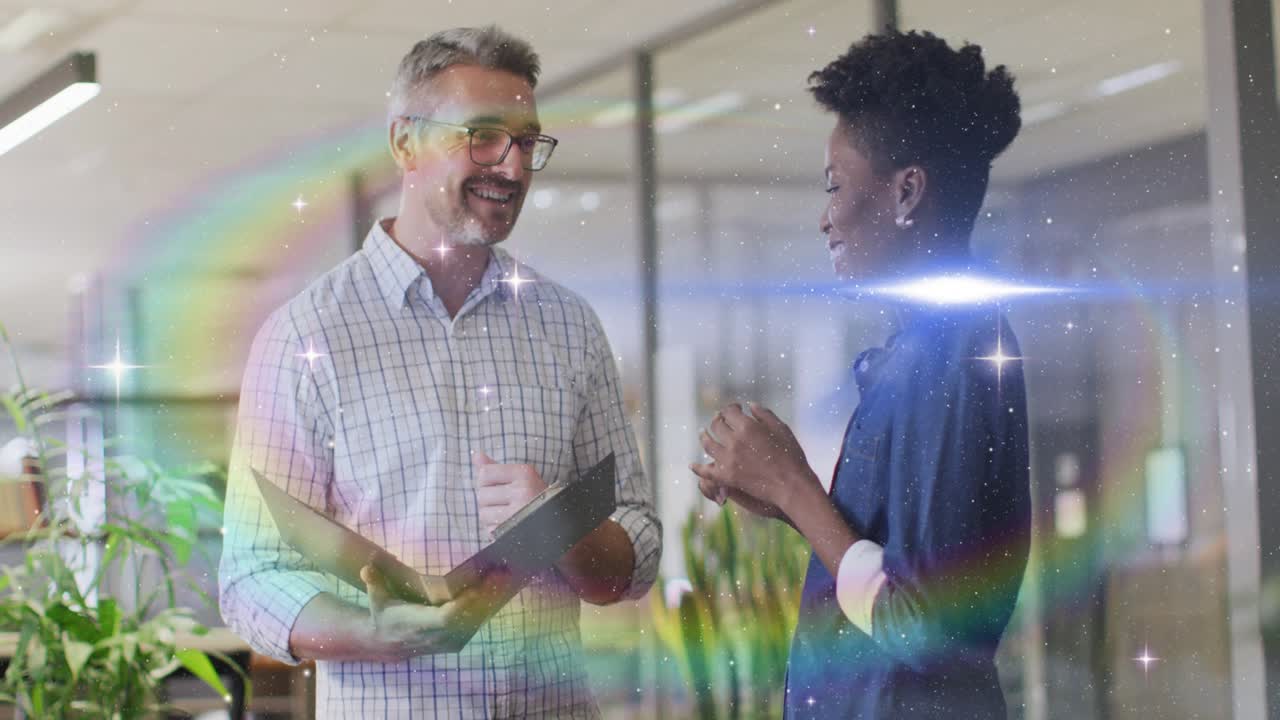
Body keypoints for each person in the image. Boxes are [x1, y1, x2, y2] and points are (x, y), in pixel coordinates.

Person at [219, 25, 661, 718]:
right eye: (483, 136)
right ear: (405, 143)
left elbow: (635, 552)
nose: (512, 169)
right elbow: (252, 578)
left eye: (526, 143)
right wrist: (370, 632)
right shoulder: (306, 336)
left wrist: (563, 526)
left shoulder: (568, 328)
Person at [690, 29, 1029, 719]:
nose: (825, 218)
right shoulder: (924, 349)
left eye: (835, 185)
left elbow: (928, 628)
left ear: (907, 193)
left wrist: (794, 484)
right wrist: (786, 502)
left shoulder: (954, 351)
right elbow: (899, 570)